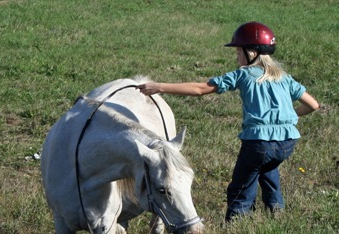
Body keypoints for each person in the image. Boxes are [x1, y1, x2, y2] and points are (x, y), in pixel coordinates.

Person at [137, 22, 320, 223]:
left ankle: (237, 226)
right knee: (267, 168)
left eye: (238, 51)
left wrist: (160, 87)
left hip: (258, 143)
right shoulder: (284, 77)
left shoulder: (244, 74)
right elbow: (313, 105)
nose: (237, 57)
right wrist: (290, 117)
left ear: (252, 52)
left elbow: (200, 89)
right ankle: (276, 211)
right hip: (287, 143)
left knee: (240, 187)